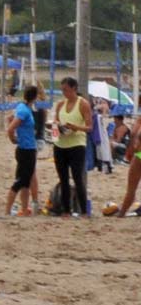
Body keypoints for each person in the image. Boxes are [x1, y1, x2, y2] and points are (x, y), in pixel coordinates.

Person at [52, 76, 92, 217]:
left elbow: (89, 127)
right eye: (62, 90)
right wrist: (56, 128)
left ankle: (84, 211)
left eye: (66, 90)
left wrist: (76, 127)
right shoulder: (60, 104)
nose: (64, 93)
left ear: (74, 88)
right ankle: (66, 210)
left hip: (76, 145)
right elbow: (55, 124)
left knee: (77, 178)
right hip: (60, 145)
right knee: (63, 179)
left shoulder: (83, 104)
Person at [4, 85, 39, 217]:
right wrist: (14, 139)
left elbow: (9, 119)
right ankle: (7, 209)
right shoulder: (24, 111)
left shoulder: (22, 107)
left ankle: (25, 209)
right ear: (35, 97)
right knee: (21, 181)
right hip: (26, 150)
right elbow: (11, 128)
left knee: (25, 182)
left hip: (26, 148)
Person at [117, 113, 141, 216]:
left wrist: (131, 149)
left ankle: (122, 212)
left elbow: (133, 134)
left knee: (131, 188)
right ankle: (123, 211)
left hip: (139, 154)